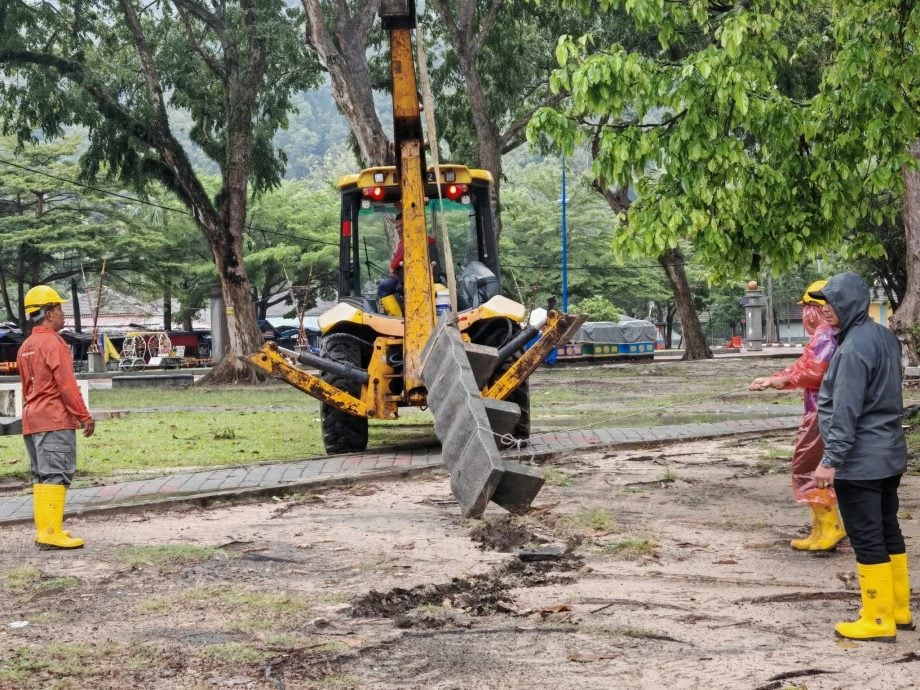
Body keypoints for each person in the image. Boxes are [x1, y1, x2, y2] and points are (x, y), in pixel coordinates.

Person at [810, 272, 909, 641]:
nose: (826, 311)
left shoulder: (852, 350)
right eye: (823, 305)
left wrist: (830, 460)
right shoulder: (882, 336)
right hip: (889, 453)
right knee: (887, 529)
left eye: (833, 304)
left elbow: (846, 411)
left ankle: (877, 619)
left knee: (867, 536)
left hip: (861, 460)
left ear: (850, 303)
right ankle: (898, 609)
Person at [749, 280, 846, 551]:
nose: (806, 314)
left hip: (822, 411)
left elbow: (815, 372)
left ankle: (830, 528)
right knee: (809, 465)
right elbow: (803, 366)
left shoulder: (827, 334)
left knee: (809, 466)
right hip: (819, 408)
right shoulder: (824, 335)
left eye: (808, 307)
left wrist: (782, 380)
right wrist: (774, 378)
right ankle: (822, 527)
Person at [17, 285, 95, 549]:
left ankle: (46, 530)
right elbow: (66, 384)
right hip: (53, 419)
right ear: (49, 313)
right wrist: (84, 415)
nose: (63, 315)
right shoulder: (53, 343)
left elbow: (27, 386)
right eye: (60, 309)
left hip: (32, 420)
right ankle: (51, 533)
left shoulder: (26, 345)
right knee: (57, 475)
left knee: (42, 476)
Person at [377, 212, 438, 317]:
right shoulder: (427, 239)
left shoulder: (408, 240)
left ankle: (396, 318)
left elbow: (394, 265)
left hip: (412, 279)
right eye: (397, 227)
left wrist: (392, 268)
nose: (399, 229)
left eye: (401, 226)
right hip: (424, 277)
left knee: (383, 287)